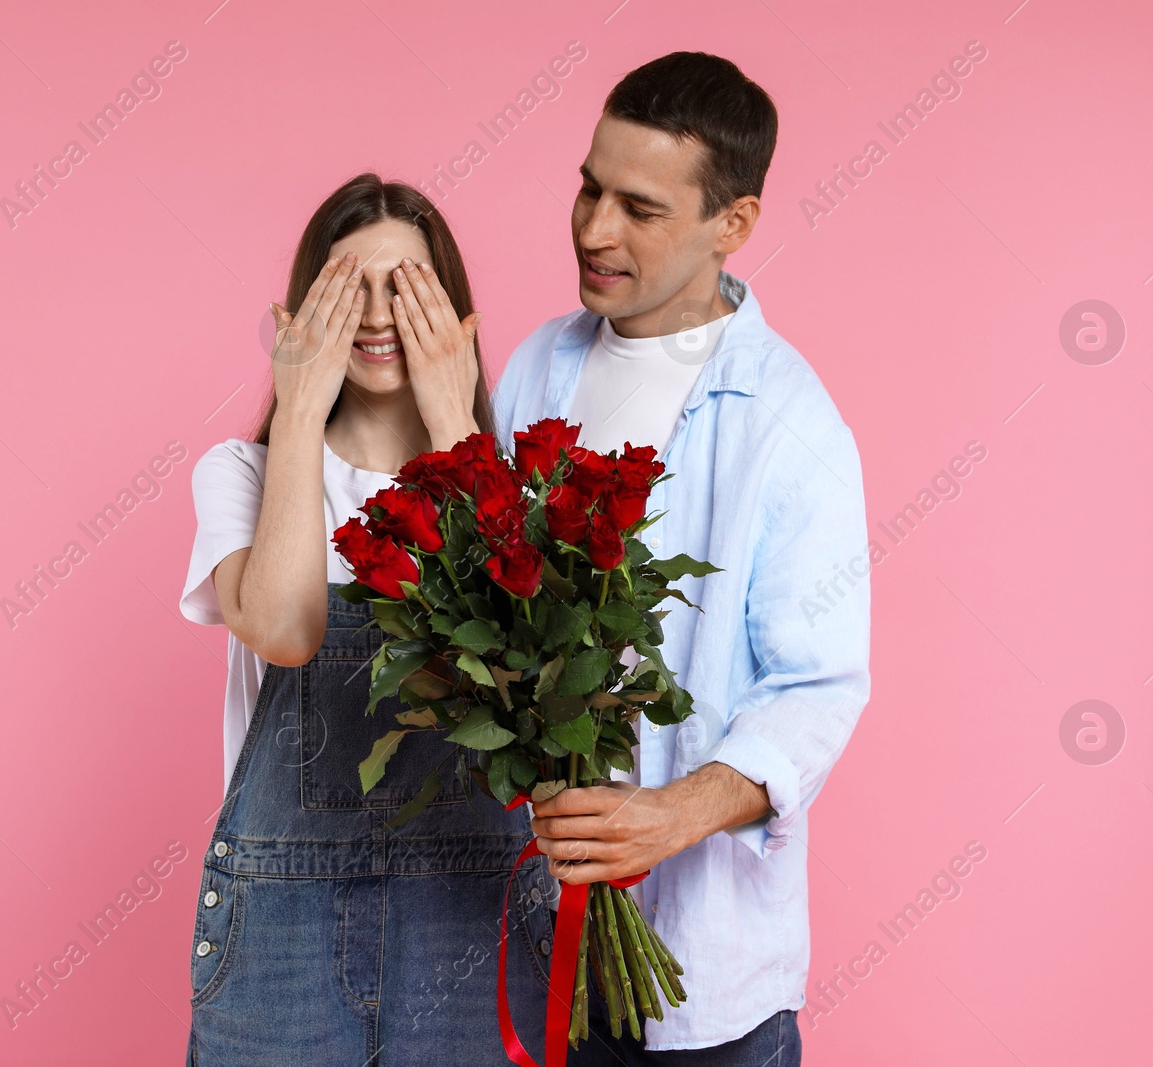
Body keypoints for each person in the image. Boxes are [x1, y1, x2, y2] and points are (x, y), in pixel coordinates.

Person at [492, 52, 873, 1064]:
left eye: (639, 208)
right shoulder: (537, 364)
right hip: (535, 938)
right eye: (588, 187)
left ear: (731, 224)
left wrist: (674, 813)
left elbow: (817, 686)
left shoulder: (790, 423)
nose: (592, 229)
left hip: (705, 978)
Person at [177, 173, 555, 1065]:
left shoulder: (511, 489)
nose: (380, 316)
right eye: (351, 289)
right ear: (302, 314)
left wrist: (454, 419)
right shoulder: (239, 473)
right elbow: (287, 628)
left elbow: (523, 673)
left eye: (408, 289)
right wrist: (299, 406)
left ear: (456, 316)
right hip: (283, 923)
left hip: (475, 913)